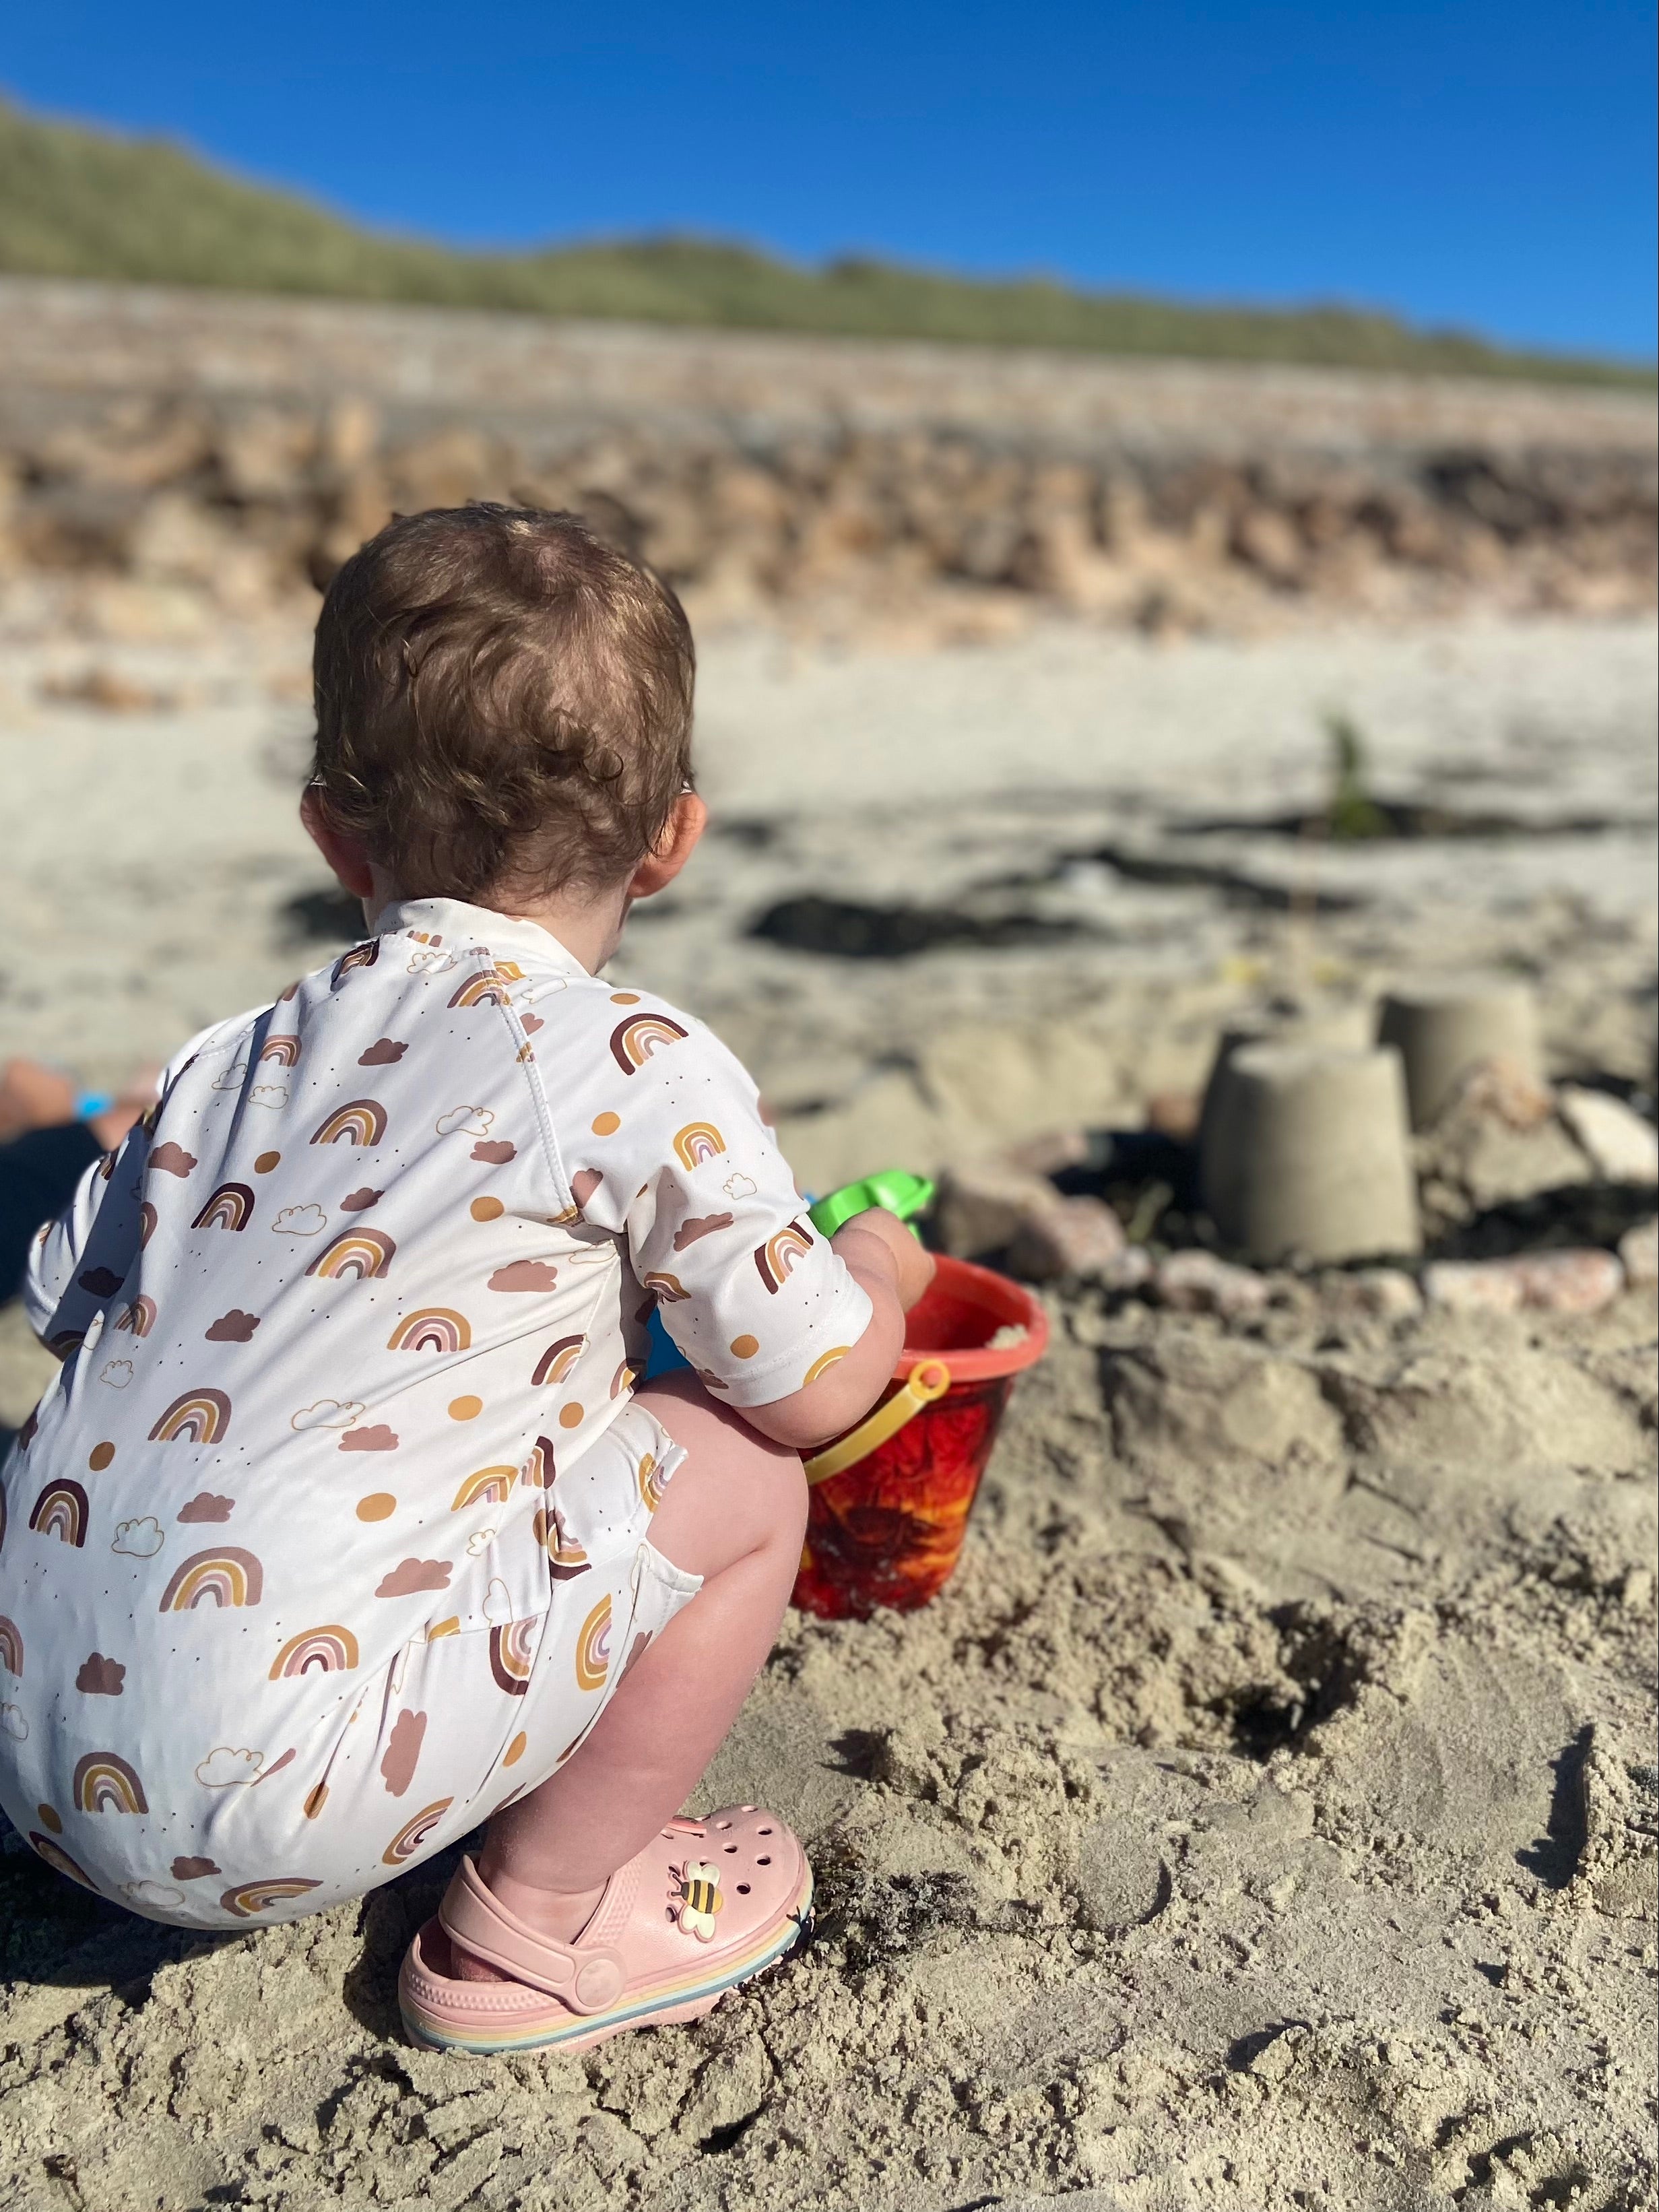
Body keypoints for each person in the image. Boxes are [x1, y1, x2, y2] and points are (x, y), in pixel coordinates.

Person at [0, 505, 934, 2056]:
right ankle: (530, 1928)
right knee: (745, 1469)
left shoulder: (232, 1057)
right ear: (675, 836)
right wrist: (875, 1262)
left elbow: (76, 1298)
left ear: (330, 834)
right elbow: (825, 1383)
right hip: (254, 1801)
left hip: (29, 1749)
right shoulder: (636, 1058)